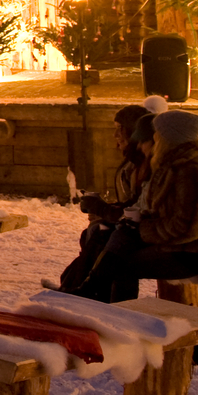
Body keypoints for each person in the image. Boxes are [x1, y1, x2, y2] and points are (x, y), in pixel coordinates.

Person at [76, 108, 198, 305]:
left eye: (157, 135)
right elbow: (159, 212)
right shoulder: (172, 167)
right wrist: (134, 226)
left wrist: (142, 230)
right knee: (119, 238)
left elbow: (187, 227)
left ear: (169, 138)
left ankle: (113, 312)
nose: (152, 140)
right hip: (189, 245)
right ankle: (92, 294)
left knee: (124, 265)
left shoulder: (193, 172)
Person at [56, 102, 158, 291]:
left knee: (109, 239)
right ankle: (79, 289)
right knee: (95, 232)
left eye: (119, 130)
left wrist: (102, 209)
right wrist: (103, 210)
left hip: (152, 232)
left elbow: (141, 209)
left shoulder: (150, 165)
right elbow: (133, 204)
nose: (115, 136)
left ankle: (98, 299)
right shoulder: (134, 163)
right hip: (141, 227)